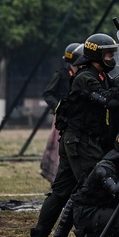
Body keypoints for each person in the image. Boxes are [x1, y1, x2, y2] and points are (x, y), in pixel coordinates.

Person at [25, 33, 119, 237]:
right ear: (95, 55)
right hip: (79, 141)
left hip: (82, 140)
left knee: (62, 191)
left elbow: (118, 96)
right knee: (92, 186)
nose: (111, 58)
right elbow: (111, 100)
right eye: (108, 53)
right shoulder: (85, 78)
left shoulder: (101, 76)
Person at [40, 43, 82, 183]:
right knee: (57, 148)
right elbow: (48, 93)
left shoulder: (83, 75)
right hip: (62, 118)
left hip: (78, 118)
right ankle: (55, 176)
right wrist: (58, 106)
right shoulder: (62, 74)